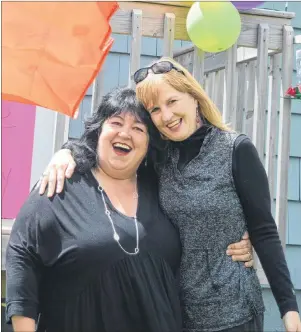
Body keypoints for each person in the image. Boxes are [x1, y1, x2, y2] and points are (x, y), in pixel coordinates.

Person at [38, 58, 301, 332]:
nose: (166, 115)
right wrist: (67, 151)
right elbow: (109, 147)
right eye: (155, 109)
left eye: (172, 102)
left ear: (193, 97)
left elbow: (264, 230)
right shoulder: (158, 158)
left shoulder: (235, 149)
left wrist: (288, 307)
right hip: (174, 311)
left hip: (232, 312)